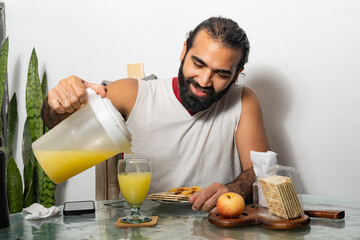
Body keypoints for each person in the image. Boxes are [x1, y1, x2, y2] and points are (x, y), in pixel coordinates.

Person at [41, 16, 270, 214]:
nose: (203, 80)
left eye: (221, 73)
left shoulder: (243, 100)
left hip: (215, 227)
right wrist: (57, 103)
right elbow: (58, 128)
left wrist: (232, 190)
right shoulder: (133, 93)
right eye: (198, 64)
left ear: (237, 74)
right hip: (145, 226)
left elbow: (261, 172)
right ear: (184, 51)